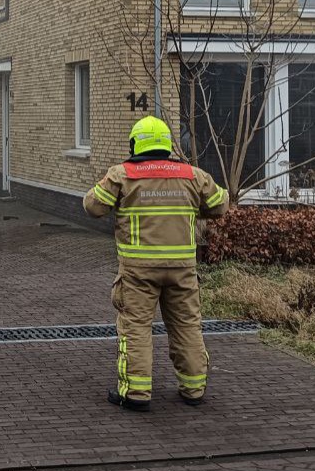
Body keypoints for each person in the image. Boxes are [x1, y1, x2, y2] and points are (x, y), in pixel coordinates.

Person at [83, 115, 228, 412]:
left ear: (135, 143)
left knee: (136, 328)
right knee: (187, 325)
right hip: (183, 270)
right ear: (166, 143)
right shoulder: (192, 175)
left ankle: (135, 393)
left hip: (138, 271)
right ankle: (193, 388)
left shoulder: (121, 174)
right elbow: (220, 205)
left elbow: (92, 206)